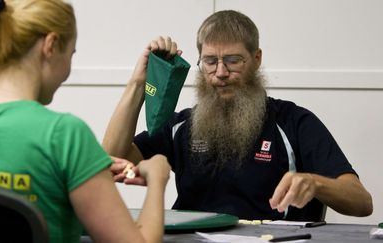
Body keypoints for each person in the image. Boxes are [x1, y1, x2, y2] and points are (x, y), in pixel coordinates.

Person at [103, 10, 373, 220]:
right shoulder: (181, 126)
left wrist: (315, 183)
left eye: (233, 60)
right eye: (210, 61)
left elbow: (362, 202)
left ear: (256, 59)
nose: (220, 72)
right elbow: (110, 162)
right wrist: (139, 82)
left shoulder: (293, 122)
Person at [0, 0, 171, 242]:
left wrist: (79, 169)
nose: (68, 69)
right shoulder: (64, 136)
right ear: (51, 45)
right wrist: (157, 178)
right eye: (71, 54)